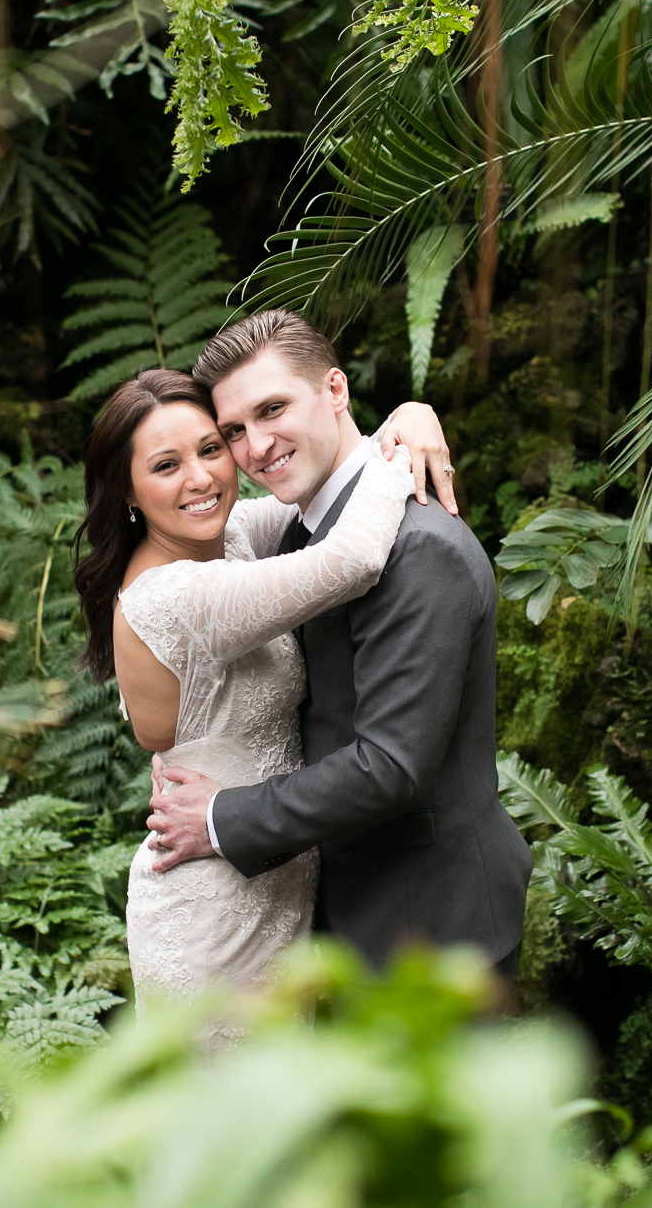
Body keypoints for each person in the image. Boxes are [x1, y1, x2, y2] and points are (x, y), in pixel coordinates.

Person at [145, 310, 532, 979]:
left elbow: (391, 765)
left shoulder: (420, 550)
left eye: (272, 409)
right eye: (234, 430)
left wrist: (220, 816)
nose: (257, 446)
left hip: (431, 923)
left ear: (335, 390)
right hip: (341, 911)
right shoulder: (295, 532)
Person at [71, 366, 457, 1031]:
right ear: (127, 491)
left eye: (211, 448)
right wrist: (402, 453)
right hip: (213, 908)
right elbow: (354, 556)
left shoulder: (230, 537)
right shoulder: (176, 595)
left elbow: (327, 484)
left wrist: (411, 416)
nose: (201, 479)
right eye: (166, 465)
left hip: (271, 879)